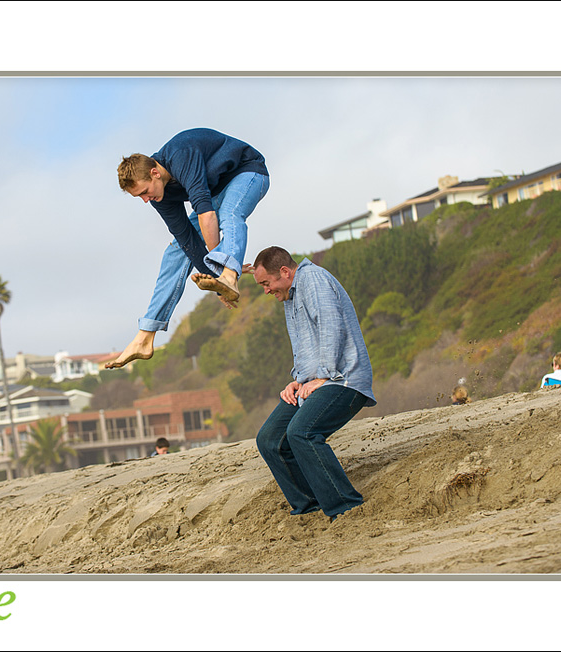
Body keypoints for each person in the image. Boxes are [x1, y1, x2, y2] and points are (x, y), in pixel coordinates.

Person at [106, 128, 270, 369]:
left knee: (229, 214)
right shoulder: (159, 196)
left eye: (144, 192)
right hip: (215, 192)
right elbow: (188, 241)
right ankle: (145, 335)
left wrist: (224, 269)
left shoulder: (181, 154)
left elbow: (206, 213)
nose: (145, 200)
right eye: (138, 197)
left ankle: (230, 275)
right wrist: (218, 283)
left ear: (155, 173)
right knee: (175, 250)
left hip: (248, 173)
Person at [252, 246, 377, 521]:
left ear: (285, 272)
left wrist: (323, 375)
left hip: (343, 380)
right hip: (318, 380)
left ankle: (345, 505)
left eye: (266, 283)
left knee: (302, 432)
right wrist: (298, 381)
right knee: (270, 439)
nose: (266, 290)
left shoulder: (313, 279)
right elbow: (306, 346)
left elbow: (332, 327)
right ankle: (309, 506)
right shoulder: (290, 296)